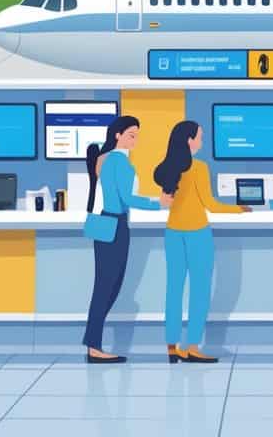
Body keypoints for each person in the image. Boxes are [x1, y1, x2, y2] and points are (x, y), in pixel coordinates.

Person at [154, 120, 250, 364]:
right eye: (200, 137)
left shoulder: (164, 168)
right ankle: (192, 347)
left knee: (173, 290)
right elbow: (211, 204)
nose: (202, 141)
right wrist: (239, 209)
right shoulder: (198, 167)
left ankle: (172, 347)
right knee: (200, 291)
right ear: (189, 140)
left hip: (173, 233)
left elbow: (166, 200)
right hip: (197, 233)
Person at [82, 115, 162, 364]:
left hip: (104, 223)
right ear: (117, 135)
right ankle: (94, 346)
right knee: (107, 288)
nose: (135, 140)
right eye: (131, 135)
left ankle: (93, 342)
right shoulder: (119, 161)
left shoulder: (104, 158)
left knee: (106, 287)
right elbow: (127, 198)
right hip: (115, 225)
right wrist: (159, 203)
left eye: (137, 135)